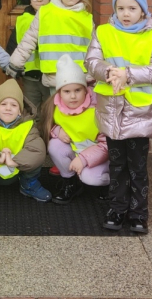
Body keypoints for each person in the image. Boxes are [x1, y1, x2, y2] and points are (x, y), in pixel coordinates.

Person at [85, 0, 152, 234]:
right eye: (120, 8)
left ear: (142, 11)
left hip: (138, 113)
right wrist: (109, 71)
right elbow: (91, 61)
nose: (125, 13)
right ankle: (117, 209)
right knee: (117, 164)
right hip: (111, 110)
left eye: (132, 8)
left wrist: (128, 74)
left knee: (137, 167)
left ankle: (138, 213)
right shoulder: (103, 32)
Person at [8, 0, 93, 109]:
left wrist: (95, 73)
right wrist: (15, 63)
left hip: (79, 77)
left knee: (76, 113)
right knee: (55, 113)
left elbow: (94, 48)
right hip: (54, 75)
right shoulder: (45, 12)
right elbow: (29, 39)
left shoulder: (86, 17)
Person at [39, 55, 109, 204]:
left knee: (90, 177)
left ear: (85, 90)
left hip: (102, 156)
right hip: (78, 150)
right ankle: (70, 183)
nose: (73, 96)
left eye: (77, 90)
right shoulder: (56, 107)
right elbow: (49, 127)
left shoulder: (98, 108)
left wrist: (83, 159)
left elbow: (108, 145)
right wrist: (57, 131)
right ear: (59, 92)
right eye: (67, 91)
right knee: (54, 145)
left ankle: (112, 183)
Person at [6, 0, 54, 112]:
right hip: (29, 75)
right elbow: (14, 43)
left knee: (50, 110)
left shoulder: (55, 17)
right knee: (31, 109)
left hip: (50, 73)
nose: (39, 0)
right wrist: (10, 65)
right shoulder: (23, 19)